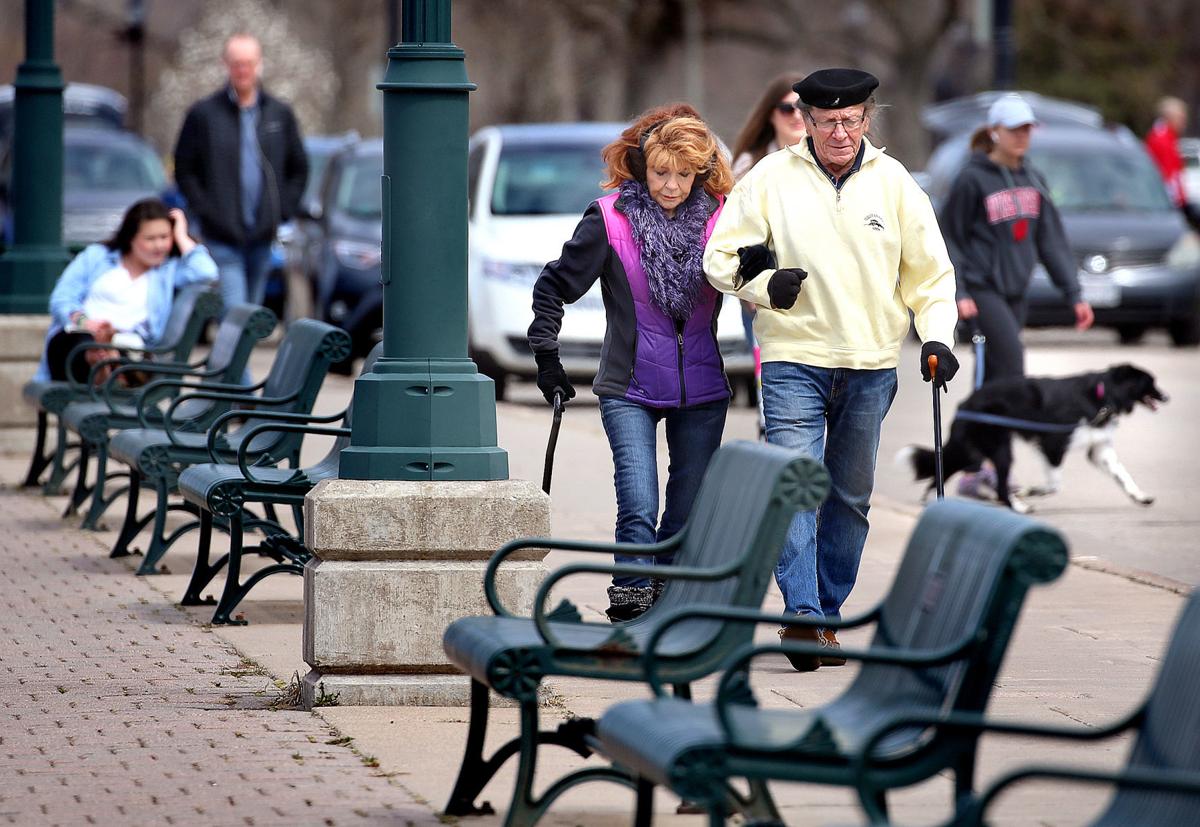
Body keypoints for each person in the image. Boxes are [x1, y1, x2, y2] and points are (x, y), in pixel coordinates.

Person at [704, 68, 960, 671]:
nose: (839, 132)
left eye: (851, 120)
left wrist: (937, 339)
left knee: (849, 497)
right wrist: (766, 283)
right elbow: (718, 257)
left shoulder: (896, 184)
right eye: (826, 122)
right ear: (808, 123)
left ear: (867, 120)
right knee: (797, 484)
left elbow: (931, 276)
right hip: (794, 358)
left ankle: (827, 607)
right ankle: (804, 616)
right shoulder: (770, 178)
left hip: (871, 364)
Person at [528, 105, 735, 622]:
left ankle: (666, 591)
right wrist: (547, 356)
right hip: (629, 386)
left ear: (700, 173)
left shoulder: (723, 218)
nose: (671, 186)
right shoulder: (610, 218)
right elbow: (554, 285)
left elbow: (752, 280)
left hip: (703, 389)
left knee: (686, 508)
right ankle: (631, 593)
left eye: (684, 175)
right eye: (661, 172)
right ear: (642, 165)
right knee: (639, 502)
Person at [938, 94, 1094, 500]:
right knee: (1010, 375)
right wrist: (960, 291)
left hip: (1014, 295)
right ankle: (991, 469)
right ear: (995, 132)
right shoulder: (972, 179)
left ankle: (977, 467)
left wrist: (1073, 293)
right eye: (1015, 129)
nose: (1024, 136)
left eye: (1028, 129)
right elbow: (949, 237)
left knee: (994, 382)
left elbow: (1051, 240)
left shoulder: (1033, 179)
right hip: (982, 291)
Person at [173, 32, 307, 312]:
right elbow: (185, 170)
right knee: (235, 312)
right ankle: (230, 355)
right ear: (226, 65)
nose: (242, 70)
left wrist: (281, 210)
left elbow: (298, 168)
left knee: (252, 317)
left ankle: (232, 357)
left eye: (248, 62)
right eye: (236, 63)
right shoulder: (204, 114)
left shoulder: (278, 113)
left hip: (262, 236)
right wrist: (206, 211)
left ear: (259, 65)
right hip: (221, 236)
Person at [35, 198, 217, 383]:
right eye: (150, 238)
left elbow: (207, 272)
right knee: (78, 343)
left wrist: (182, 234)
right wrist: (87, 323)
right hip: (80, 335)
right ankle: (101, 360)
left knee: (118, 351)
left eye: (165, 237)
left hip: (130, 346)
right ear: (131, 237)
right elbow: (62, 299)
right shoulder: (97, 256)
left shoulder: (168, 271)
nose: (159, 245)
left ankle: (106, 363)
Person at [729, 73, 808, 408]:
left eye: (803, 108)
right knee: (773, 391)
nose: (796, 116)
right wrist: (751, 285)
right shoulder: (751, 165)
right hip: (764, 292)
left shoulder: (827, 161)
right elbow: (733, 235)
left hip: (815, 290)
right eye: (786, 108)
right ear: (770, 114)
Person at [1144, 96, 1200, 232]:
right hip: (1169, 202)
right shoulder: (1161, 139)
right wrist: (1177, 203)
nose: (1184, 123)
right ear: (1170, 118)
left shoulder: (1167, 137)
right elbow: (1167, 176)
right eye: (1181, 118)